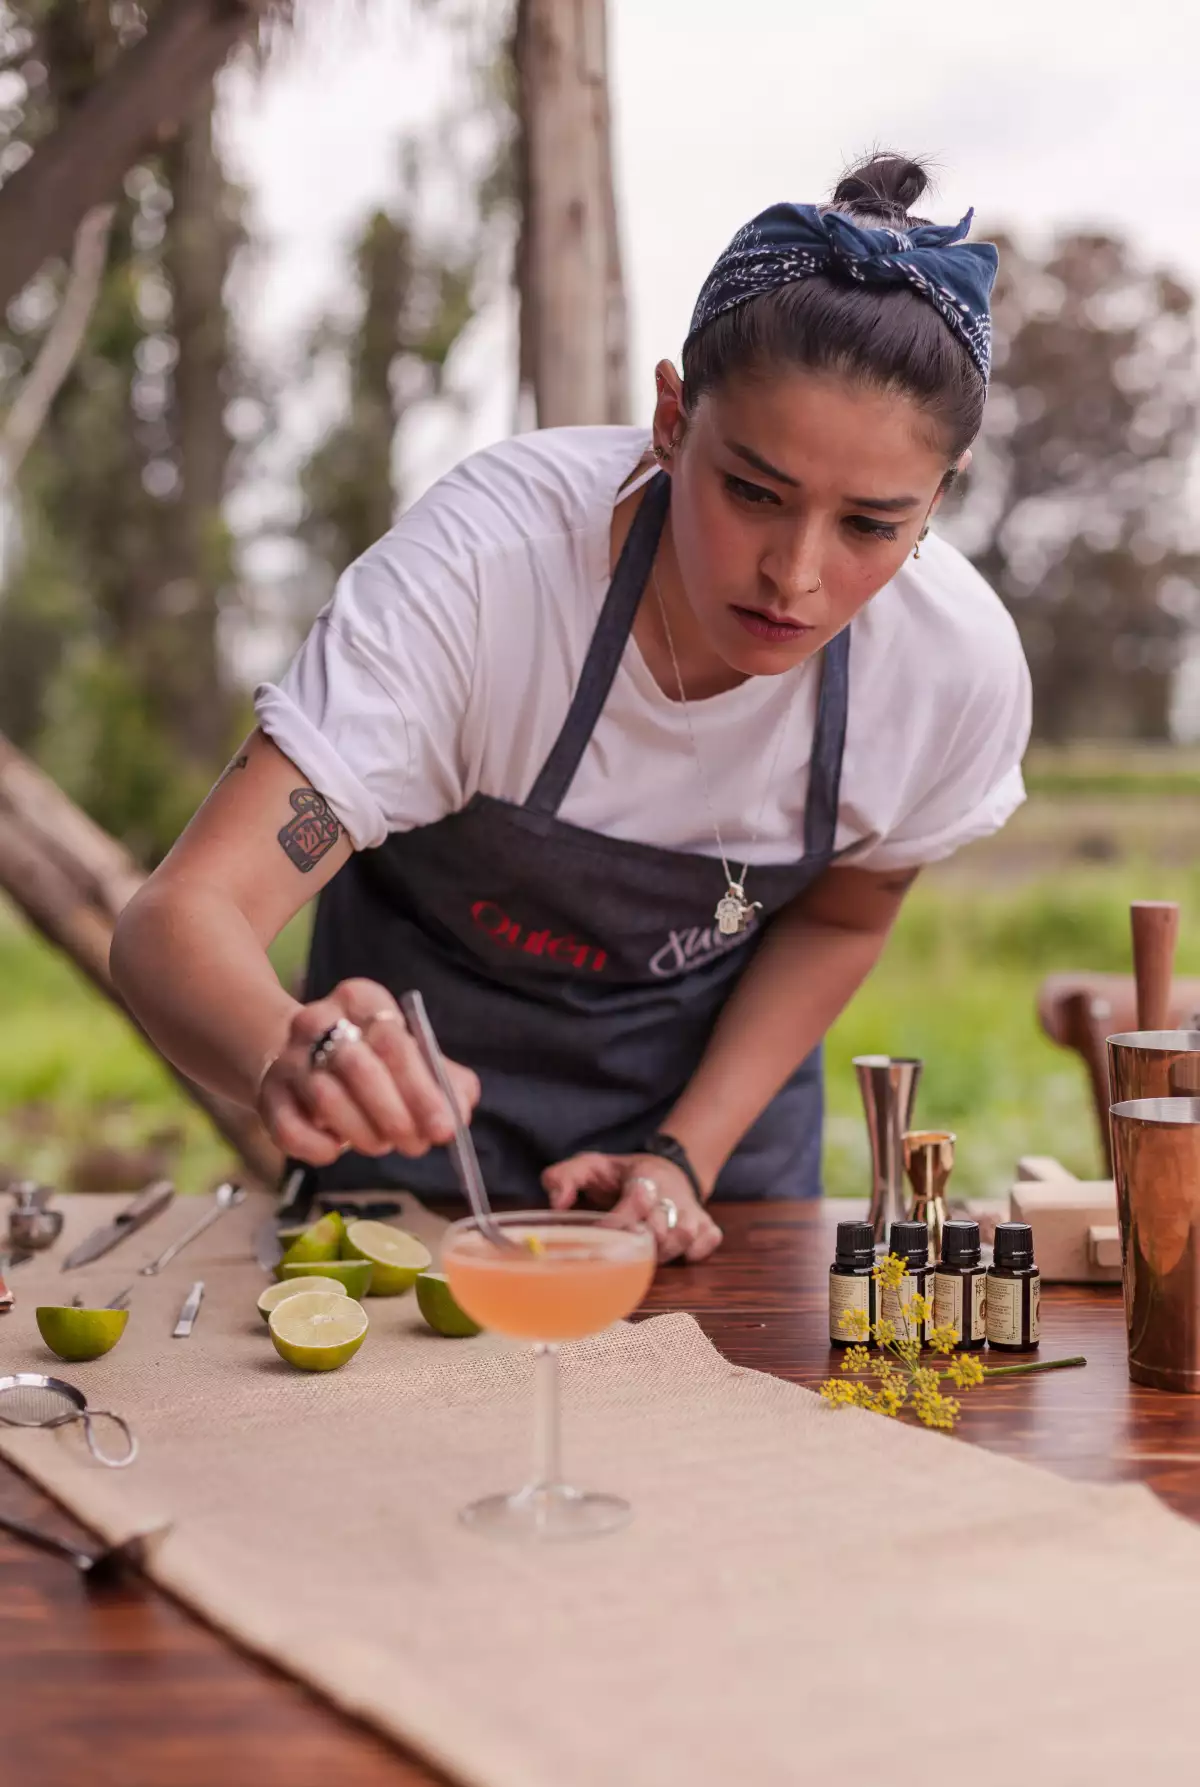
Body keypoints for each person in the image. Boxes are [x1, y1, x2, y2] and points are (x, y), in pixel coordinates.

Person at [111, 152, 1031, 1266]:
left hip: (716, 1178)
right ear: (671, 419)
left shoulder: (949, 672)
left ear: (944, 492)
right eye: (753, 493)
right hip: (417, 1162)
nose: (794, 575)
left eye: (872, 527)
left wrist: (682, 1158)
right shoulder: (483, 585)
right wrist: (282, 1050)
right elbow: (176, 921)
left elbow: (843, 917)